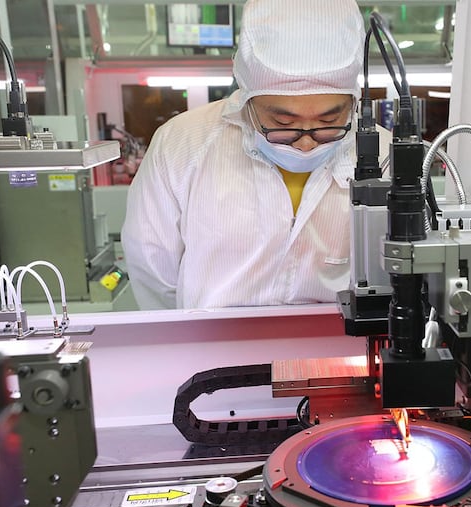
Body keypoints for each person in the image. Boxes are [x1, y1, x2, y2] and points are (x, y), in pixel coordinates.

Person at [122, 0, 369, 309]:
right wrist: (188, 343)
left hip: (338, 351)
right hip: (211, 348)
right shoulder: (183, 143)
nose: (306, 144)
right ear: (247, 97)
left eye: (328, 121)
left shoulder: (384, 154)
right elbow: (153, 267)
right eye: (283, 123)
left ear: (355, 102)